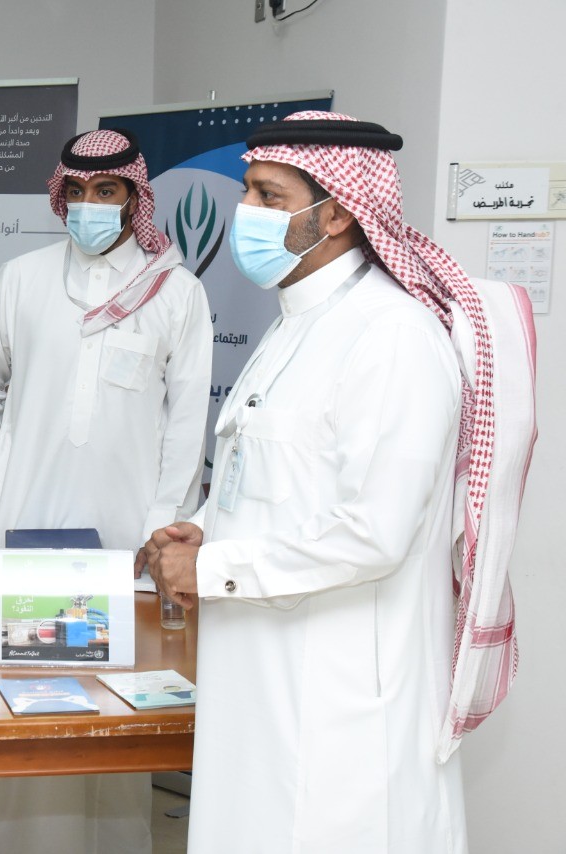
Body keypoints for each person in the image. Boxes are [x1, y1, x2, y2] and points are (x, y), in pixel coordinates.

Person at [141, 112, 537, 853]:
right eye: (248, 191)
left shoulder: (392, 337)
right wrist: (206, 530)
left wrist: (213, 567)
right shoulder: (292, 324)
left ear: (338, 213)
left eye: (268, 196)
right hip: (257, 680)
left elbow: (374, 534)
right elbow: (273, 478)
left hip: (339, 701)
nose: (246, 212)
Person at [0, 129, 212, 854]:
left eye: (106, 191)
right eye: (77, 191)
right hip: (17, 522)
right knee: (1, 696)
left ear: (134, 196)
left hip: (123, 541)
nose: (90, 205)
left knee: (107, 712)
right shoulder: (22, 278)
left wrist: (160, 526)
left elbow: (187, 423)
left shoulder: (177, 293)